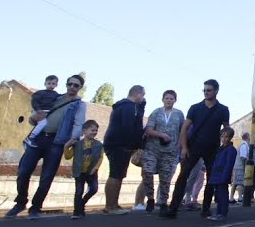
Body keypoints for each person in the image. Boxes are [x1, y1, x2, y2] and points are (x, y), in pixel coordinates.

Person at [6, 75, 87, 220]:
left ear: (80, 87)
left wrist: (71, 141)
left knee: (47, 176)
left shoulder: (79, 104)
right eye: (70, 84)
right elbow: (37, 115)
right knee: (24, 171)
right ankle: (20, 202)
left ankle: (36, 207)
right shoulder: (55, 98)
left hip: (57, 141)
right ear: (66, 84)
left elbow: (78, 124)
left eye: (76, 85)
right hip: (39, 137)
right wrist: (32, 119)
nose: (72, 87)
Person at [161, 79, 230, 219]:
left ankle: (205, 209)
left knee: (211, 179)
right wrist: (184, 147)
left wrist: (224, 146)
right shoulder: (195, 108)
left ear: (216, 91)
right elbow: (185, 128)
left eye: (209, 90)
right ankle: (173, 208)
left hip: (212, 148)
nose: (206, 92)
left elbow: (226, 129)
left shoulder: (223, 110)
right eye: (204, 90)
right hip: (194, 146)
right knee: (182, 177)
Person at [135, 90, 183, 213]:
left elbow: (183, 130)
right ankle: (150, 198)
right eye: (166, 98)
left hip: (169, 151)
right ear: (163, 99)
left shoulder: (179, 114)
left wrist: (179, 144)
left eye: (171, 98)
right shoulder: (156, 113)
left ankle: (163, 202)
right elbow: (148, 130)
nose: (169, 100)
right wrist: (161, 135)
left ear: (175, 100)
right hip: (153, 149)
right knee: (147, 172)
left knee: (165, 177)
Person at [101, 84, 146, 215]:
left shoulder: (124, 106)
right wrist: (135, 144)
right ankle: (110, 206)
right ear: (137, 94)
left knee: (119, 174)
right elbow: (128, 127)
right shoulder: (129, 107)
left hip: (116, 143)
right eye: (142, 96)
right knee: (115, 174)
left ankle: (114, 204)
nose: (143, 99)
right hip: (119, 145)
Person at [64, 120, 105, 219]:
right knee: (79, 191)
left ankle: (82, 203)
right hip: (79, 171)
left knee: (94, 189)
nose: (94, 132)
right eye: (92, 130)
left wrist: (95, 168)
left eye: (96, 130)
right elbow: (68, 156)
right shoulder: (78, 144)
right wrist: (66, 146)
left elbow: (100, 157)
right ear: (84, 131)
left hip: (91, 171)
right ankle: (77, 212)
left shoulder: (99, 145)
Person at [205, 127, 238, 220]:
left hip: (222, 174)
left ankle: (222, 213)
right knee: (218, 195)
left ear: (230, 137)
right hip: (216, 174)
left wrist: (225, 176)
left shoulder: (231, 150)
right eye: (222, 136)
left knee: (223, 195)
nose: (224, 139)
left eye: (226, 137)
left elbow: (229, 164)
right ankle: (218, 213)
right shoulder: (220, 149)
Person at [22, 75, 61, 145]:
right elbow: (34, 101)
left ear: (56, 85)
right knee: (43, 123)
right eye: (49, 83)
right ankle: (30, 137)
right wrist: (38, 109)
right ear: (45, 84)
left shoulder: (55, 94)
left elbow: (60, 98)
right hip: (39, 111)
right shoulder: (40, 93)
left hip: (46, 112)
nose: (51, 85)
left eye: (53, 84)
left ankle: (30, 140)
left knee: (43, 125)